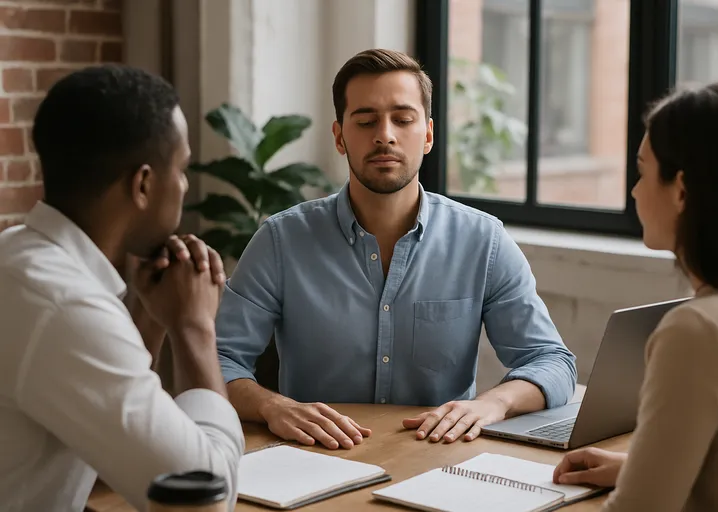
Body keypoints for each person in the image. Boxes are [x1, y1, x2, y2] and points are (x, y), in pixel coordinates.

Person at [215, 48, 576, 451]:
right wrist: (272, 406)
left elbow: (553, 362)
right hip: (316, 457)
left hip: (436, 457)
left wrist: (493, 404)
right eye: (365, 121)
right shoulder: (281, 241)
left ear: (428, 135)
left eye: (403, 120)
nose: (384, 135)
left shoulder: (483, 241)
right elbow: (217, 360)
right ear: (339, 137)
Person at [0, 65, 244, 512]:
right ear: (143, 184)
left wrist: (151, 320)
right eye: (182, 169)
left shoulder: (18, 258)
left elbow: (111, 440)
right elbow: (206, 497)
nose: (184, 186)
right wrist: (194, 328)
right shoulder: (65, 307)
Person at [552, 82, 718, 511]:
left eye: (642, 171)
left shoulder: (699, 331)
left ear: (681, 190)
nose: (634, 191)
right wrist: (638, 466)